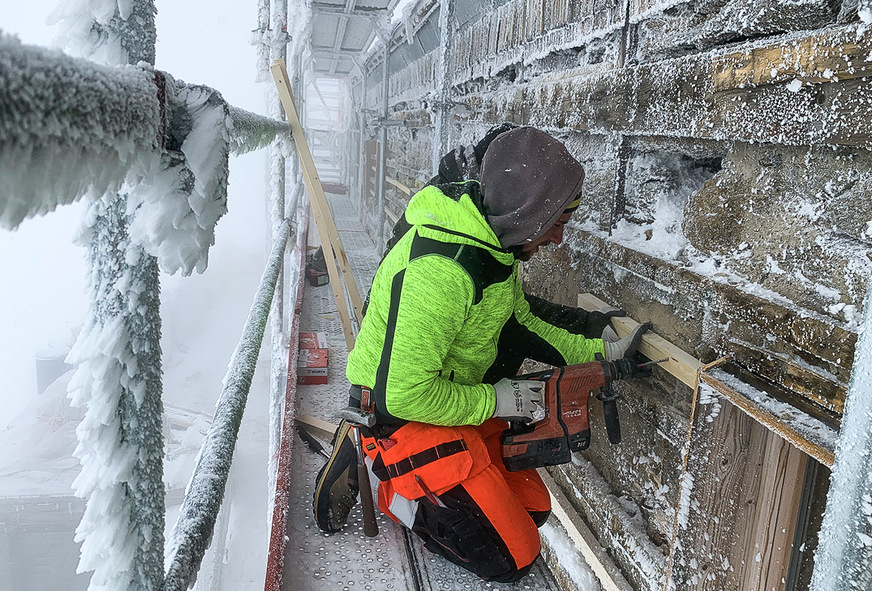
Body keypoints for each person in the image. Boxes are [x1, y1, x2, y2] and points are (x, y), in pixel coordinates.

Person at [313, 125, 650, 582]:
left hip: (448, 400)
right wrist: (499, 401)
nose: (558, 239)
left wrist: (602, 349)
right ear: (526, 214)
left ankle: (418, 478)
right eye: (556, 223)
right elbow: (404, 396)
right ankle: (388, 483)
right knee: (512, 558)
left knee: (534, 511)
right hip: (397, 414)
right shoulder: (442, 273)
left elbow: (519, 323)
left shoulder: (493, 246)